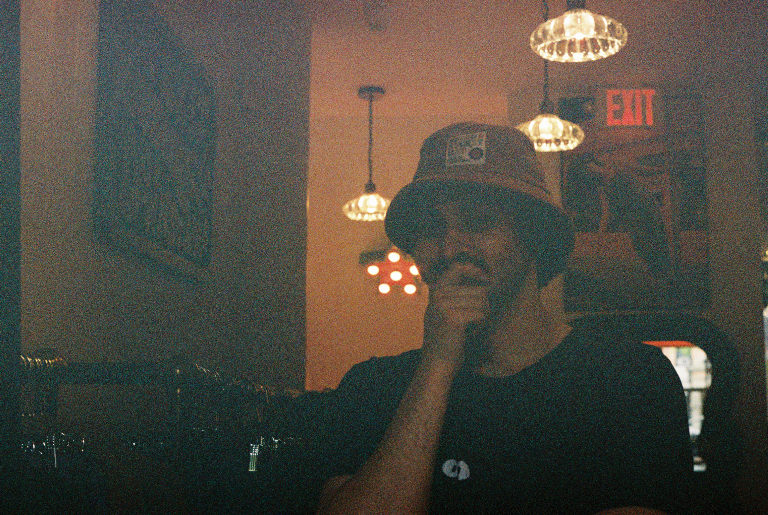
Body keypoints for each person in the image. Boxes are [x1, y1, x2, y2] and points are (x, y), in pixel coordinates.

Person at [295, 123, 693, 513]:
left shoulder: (630, 379)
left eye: (479, 221)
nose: (450, 247)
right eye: (431, 229)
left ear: (534, 237)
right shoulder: (374, 387)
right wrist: (438, 363)